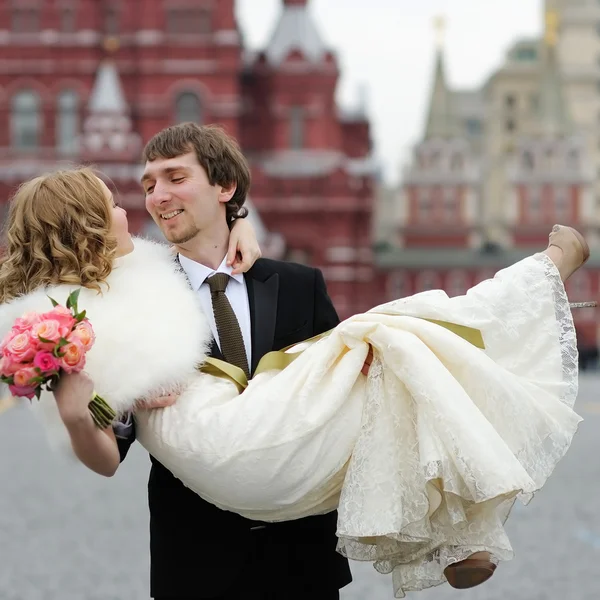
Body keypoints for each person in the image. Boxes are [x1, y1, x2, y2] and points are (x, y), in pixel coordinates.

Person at [0, 124, 587, 598]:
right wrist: (80, 416)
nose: (150, 200)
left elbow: (355, 422)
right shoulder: (114, 298)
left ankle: (454, 534)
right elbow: (107, 456)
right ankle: (537, 285)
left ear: (225, 189)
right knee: (397, 332)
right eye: (143, 187)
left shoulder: (294, 283)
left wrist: (244, 230)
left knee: (393, 355)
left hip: (303, 562)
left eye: (173, 178)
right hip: (198, 564)